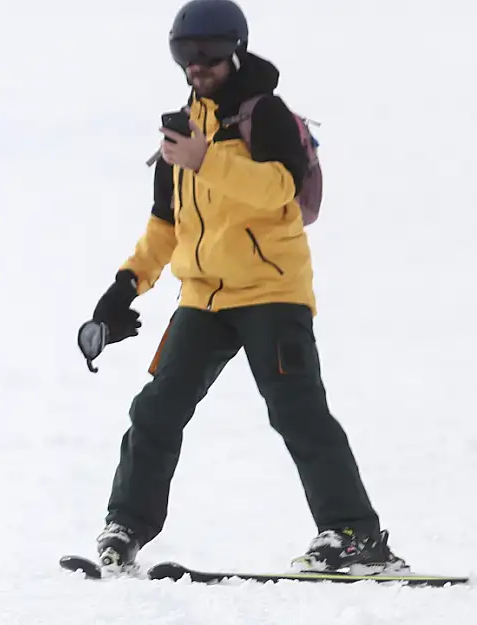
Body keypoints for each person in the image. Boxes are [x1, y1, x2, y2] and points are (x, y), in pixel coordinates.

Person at [80, 0, 408, 575]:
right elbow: (166, 225)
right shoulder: (181, 132)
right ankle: (124, 528)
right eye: (185, 54)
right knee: (156, 409)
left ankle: (355, 535)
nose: (197, 66)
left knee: (297, 411)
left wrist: (206, 160)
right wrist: (124, 289)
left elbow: (279, 189)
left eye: (208, 54)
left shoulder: (265, 115)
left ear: (235, 50)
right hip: (203, 299)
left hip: (272, 292)